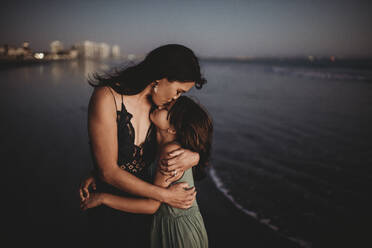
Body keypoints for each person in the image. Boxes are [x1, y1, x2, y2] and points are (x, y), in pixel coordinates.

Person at [79, 44, 207, 247]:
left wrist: (195, 156)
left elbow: (192, 132)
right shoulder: (107, 97)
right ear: (162, 76)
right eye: (178, 91)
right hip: (112, 209)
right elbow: (108, 172)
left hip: (145, 213)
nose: (176, 98)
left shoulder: (160, 111)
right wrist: (166, 196)